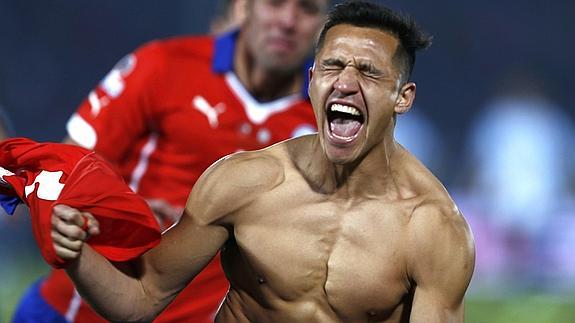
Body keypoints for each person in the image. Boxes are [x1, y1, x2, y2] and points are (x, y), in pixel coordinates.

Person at [52, 1, 475, 322]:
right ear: (312, 82)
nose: (345, 83)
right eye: (332, 66)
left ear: (403, 97)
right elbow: (140, 300)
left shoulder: (432, 229)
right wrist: (75, 254)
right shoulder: (243, 182)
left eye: (368, 71)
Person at [14, 0, 330, 322]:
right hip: (76, 312)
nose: (289, 21)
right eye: (275, 4)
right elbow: (62, 169)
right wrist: (123, 212)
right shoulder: (164, 65)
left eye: (307, 9)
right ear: (243, 8)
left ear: (323, 25)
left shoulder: (326, 125)